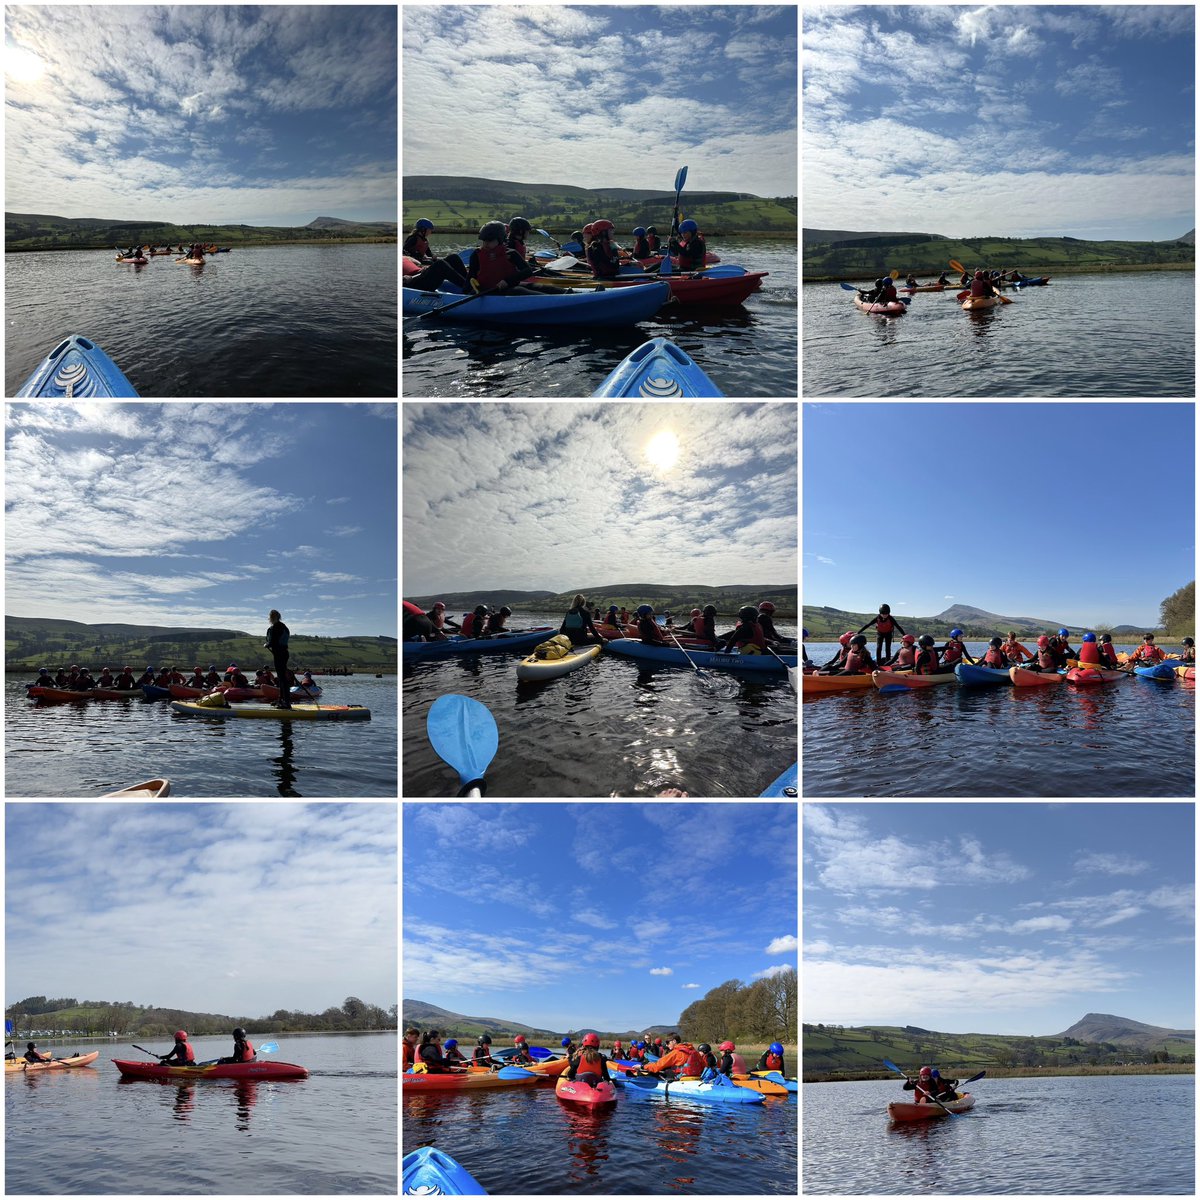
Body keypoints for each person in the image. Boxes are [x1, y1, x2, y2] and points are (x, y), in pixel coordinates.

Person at [641, 1034, 706, 1078]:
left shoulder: (675, 1053)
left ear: (674, 1041)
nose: (666, 1045)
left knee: (665, 1071)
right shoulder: (693, 1050)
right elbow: (704, 1065)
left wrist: (643, 1066)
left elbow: (657, 1066)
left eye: (667, 1042)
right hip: (697, 1076)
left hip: (682, 1078)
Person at [266, 609, 292, 710]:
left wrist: (267, 644)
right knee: (281, 678)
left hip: (279, 654)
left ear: (272, 617)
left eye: (270, 617)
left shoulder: (276, 627)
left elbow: (272, 642)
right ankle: (281, 700)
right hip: (283, 653)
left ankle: (286, 702)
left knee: (282, 679)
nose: (269, 619)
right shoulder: (283, 626)